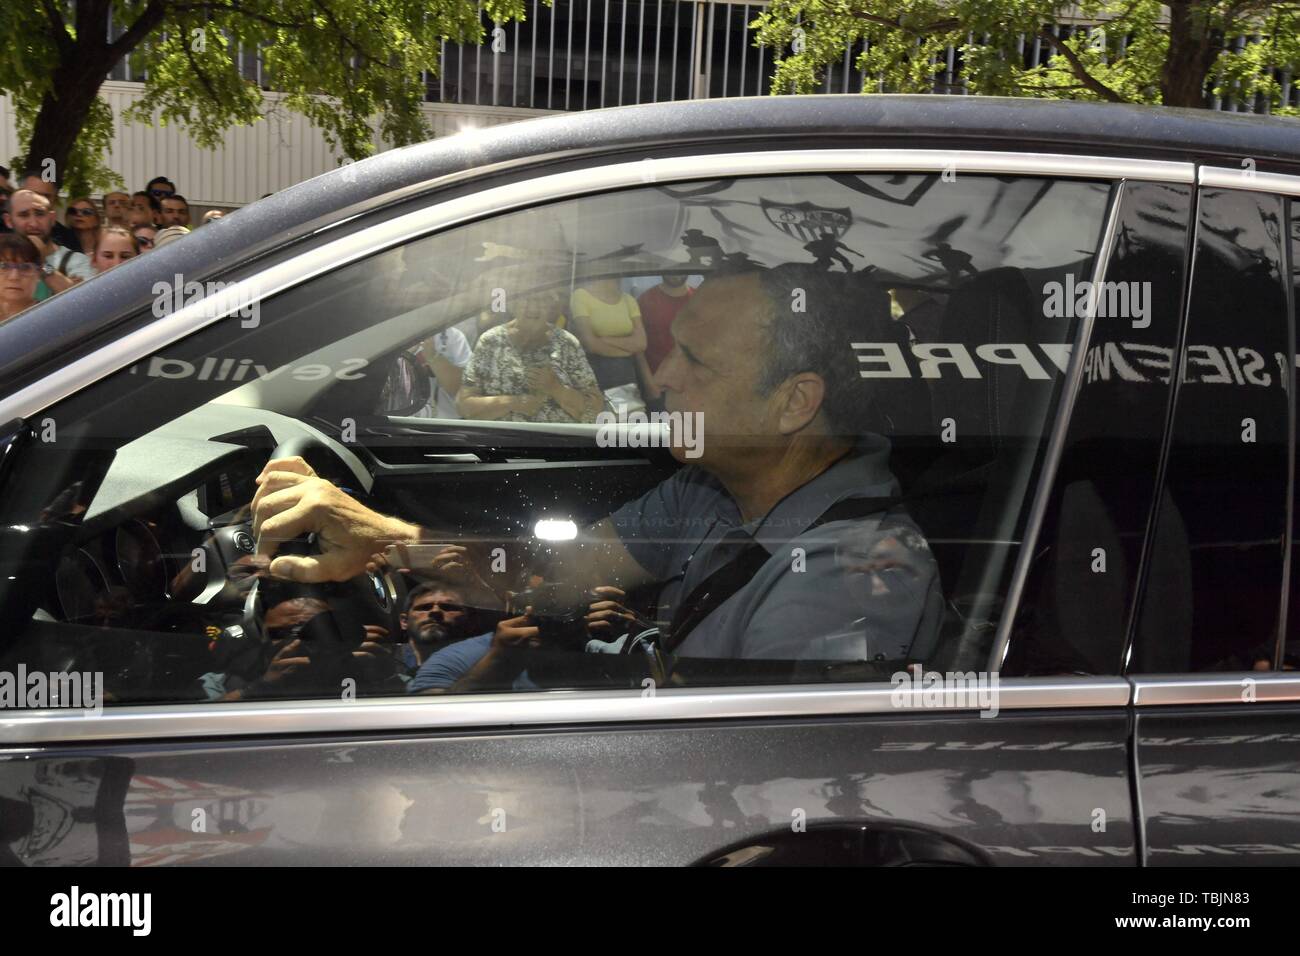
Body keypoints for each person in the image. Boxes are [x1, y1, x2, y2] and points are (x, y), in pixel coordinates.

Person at [249, 264, 942, 686]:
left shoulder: (848, 580)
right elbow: (558, 571)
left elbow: (753, 770)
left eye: (695, 361)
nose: (662, 378)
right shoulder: (713, 487)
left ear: (794, 402)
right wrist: (387, 540)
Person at [457, 287, 605, 424]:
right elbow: (464, 406)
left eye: (542, 300)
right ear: (513, 303)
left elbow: (595, 411)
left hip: (557, 445)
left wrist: (556, 388)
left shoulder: (567, 343)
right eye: (526, 299)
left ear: (551, 305)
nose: (533, 307)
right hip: (501, 445)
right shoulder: (490, 341)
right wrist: (512, 403)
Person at [569, 277, 647, 412]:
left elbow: (641, 343)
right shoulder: (580, 296)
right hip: (596, 377)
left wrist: (605, 340)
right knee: (600, 429)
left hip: (627, 378)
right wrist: (627, 351)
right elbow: (590, 344)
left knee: (632, 428)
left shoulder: (628, 300)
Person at [3, 189, 94, 300]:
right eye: (24, 215)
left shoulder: (76, 261)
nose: (33, 223)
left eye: (40, 214)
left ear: (52, 218)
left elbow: (85, 303)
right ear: (8, 220)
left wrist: (43, 265)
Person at [637, 274, 694, 406]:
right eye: (673, 266)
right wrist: (649, 384)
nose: (676, 272)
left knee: (689, 427)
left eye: (681, 266)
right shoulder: (646, 300)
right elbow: (638, 350)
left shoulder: (699, 300)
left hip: (690, 387)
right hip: (657, 388)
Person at [0, 171, 79, 249]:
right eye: (31, 194)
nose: (33, 224)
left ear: (55, 199)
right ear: (8, 221)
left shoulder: (68, 239)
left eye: (45, 196)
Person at [414, 328, 472, 419]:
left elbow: (461, 390)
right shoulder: (400, 333)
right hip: (406, 419)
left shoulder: (454, 337)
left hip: (448, 422)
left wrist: (433, 357)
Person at [0, 234, 42, 322]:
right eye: (4, 266)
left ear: (38, 274)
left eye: (25, 268)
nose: (14, 277)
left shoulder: (52, 316)